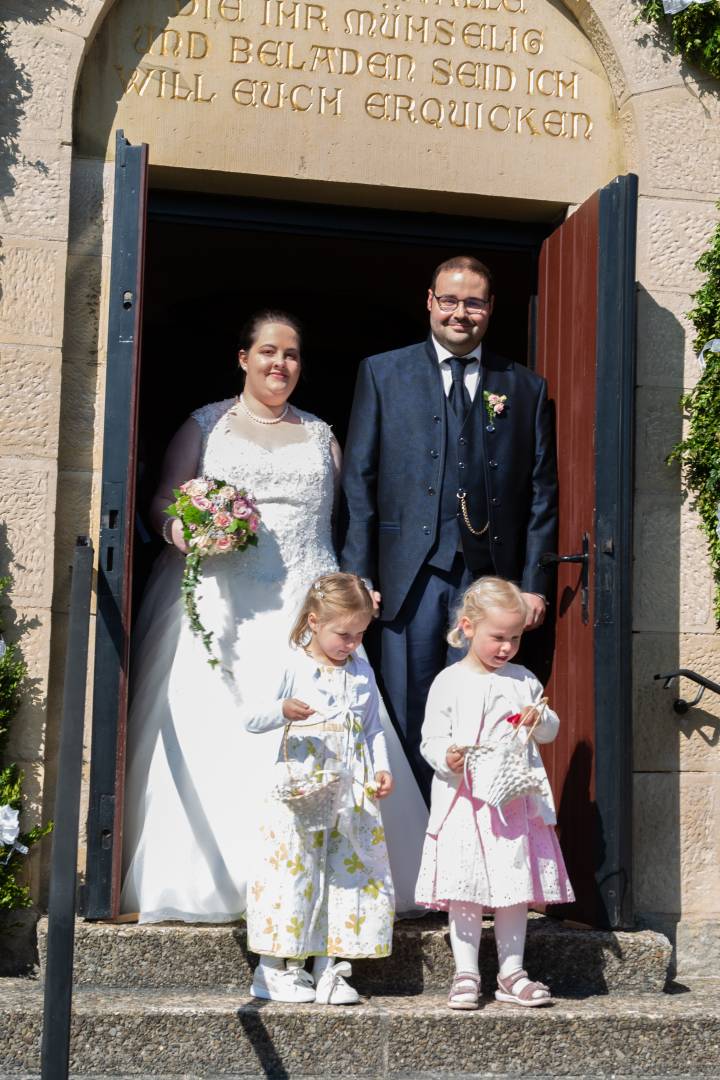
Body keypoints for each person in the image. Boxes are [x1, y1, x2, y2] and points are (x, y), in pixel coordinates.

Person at [121, 311, 426, 923]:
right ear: (243, 358)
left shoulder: (321, 435)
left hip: (309, 601)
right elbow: (160, 502)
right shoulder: (206, 426)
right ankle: (226, 876)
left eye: (290, 354)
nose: (279, 364)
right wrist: (185, 529)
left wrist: (355, 584)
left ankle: (341, 878)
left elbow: (349, 521)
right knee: (224, 726)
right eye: (267, 351)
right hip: (225, 601)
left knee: (330, 726)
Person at [340, 255, 557, 802]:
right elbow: (360, 481)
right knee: (409, 710)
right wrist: (359, 577)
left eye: (474, 302)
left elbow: (540, 492)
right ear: (431, 302)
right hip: (408, 577)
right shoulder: (383, 373)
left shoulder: (524, 387)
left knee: (483, 714)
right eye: (451, 300)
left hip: (489, 579)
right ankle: (415, 853)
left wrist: (533, 583)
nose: (462, 313)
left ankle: (474, 851)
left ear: (490, 309)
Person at [415, 577, 574, 1010]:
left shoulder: (523, 680)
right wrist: (445, 756)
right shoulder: (449, 681)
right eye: (497, 637)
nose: (506, 647)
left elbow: (551, 726)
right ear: (468, 628)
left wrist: (537, 719)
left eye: (515, 638)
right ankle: (466, 971)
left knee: (512, 888)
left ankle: (511, 971)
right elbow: (430, 737)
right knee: (465, 889)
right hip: (465, 802)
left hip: (512, 804)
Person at [242, 573, 395, 1005]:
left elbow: (372, 729)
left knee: (345, 876)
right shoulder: (292, 665)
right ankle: (273, 968)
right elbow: (250, 718)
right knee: (292, 874)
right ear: (314, 621)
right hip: (298, 791)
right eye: (343, 634)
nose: (351, 643)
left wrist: (381, 769)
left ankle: (330, 966)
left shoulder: (361, 670)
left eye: (360, 634)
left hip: (349, 795)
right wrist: (281, 710)